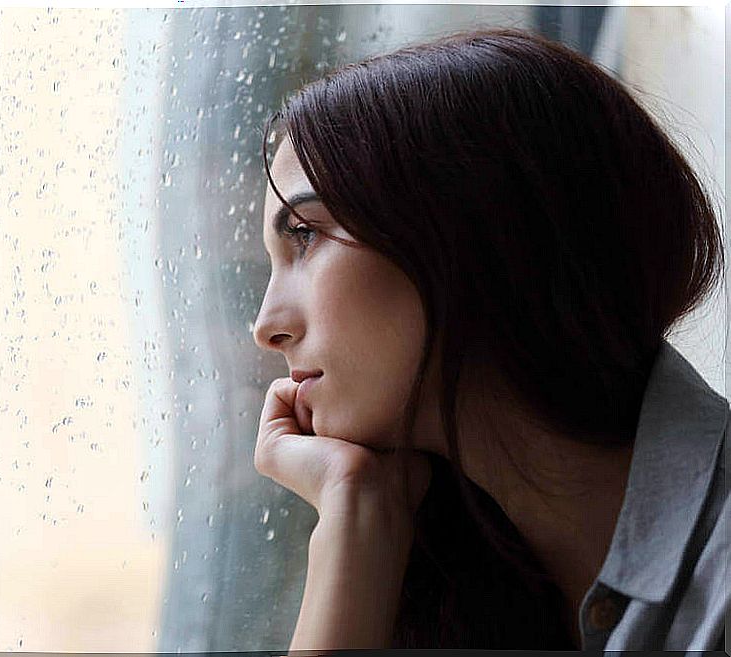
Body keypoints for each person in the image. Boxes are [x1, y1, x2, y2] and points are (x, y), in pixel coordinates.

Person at [251, 27, 728, 651]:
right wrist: (354, 515)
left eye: (306, 236)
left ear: (471, 226)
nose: (265, 326)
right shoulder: (445, 578)